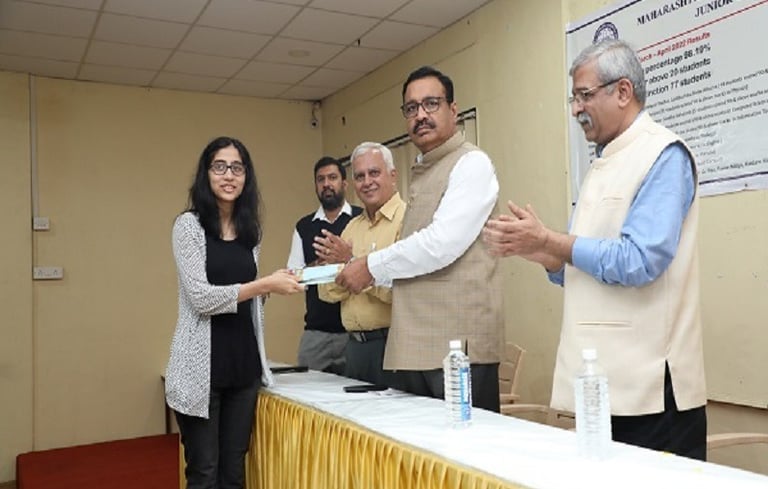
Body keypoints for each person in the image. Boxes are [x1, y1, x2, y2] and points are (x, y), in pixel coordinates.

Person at [483, 39, 707, 460]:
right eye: (573, 98)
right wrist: (541, 252)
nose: (575, 109)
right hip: (602, 385)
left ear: (623, 91)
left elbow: (640, 261)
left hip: (650, 391)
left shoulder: (662, 154)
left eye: (584, 95)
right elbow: (585, 264)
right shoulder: (604, 161)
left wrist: (552, 241)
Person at [336, 66, 504, 411]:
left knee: (464, 446)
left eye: (431, 104)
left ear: (453, 110)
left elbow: (441, 244)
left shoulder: (471, 163)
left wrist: (370, 266)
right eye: (411, 108)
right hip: (416, 347)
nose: (421, 115)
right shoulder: (424, 169)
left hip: (457, 352)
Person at [165, 136, 304, 488]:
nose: (229, 175)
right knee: (204, 473)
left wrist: (272, 287)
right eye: (220, 167)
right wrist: (263, 285)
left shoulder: (249, 231)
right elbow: (201, 298)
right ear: (206, 174)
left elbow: (244, 297)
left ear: (246, 177)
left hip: (243, 368)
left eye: (237, 168)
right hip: (201, 372)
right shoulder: (188, 226)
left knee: (234, 472)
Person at [316, 142, 406, 385]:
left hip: (392, 345)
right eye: (359, 176)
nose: (367, 182)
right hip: (354, 348)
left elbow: (404, 292)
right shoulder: (352, 227)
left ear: (393, 175)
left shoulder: (407, 220)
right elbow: (327, 292)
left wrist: (352, 265)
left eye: (374, 173)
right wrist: (348, 273)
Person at [287, 157, 362, 374]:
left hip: (355, 333)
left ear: (344, 183)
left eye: (332, 178)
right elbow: (294, 278)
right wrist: (321, 266)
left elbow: (373, 268)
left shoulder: (362, 219)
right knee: (306, 391)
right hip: (316, 333)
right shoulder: (303, 227)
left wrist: (345, 260)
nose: (326, 184)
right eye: (321, 179)